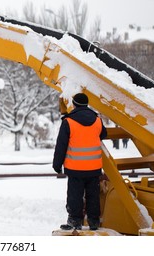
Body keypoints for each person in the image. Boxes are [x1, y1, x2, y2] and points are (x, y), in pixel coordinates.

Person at [53, 93, 107, 230]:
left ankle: (75, 221)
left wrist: (57, 165)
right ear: (87, 104)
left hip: (75, 167)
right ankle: (94, 222)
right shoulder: (97, 120)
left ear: (74, 104)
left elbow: (61, 145)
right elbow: (104, 134)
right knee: (93, 195)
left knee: (75, 196)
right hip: (94, 167)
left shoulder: (68, 121)